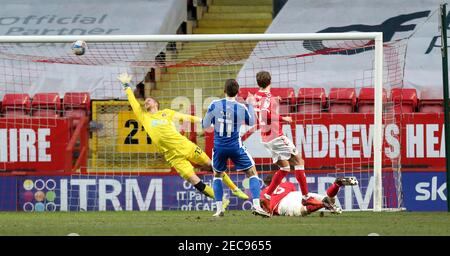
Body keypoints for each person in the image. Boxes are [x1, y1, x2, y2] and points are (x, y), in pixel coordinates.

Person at [117, 73, 249, 204]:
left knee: (213, 166)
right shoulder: (144, 117)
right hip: (173, 157)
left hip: (187, 147)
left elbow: (186, 118)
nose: (146, 101)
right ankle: (221, 200)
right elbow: (133, 102)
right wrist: (126, 86)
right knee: (194, 180)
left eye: (149, 100)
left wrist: (203, 121)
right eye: (146, 101)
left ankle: (235, 189)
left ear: (156, 104)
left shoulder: (166, 113)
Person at [202, 79, 270, 217]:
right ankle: (257, 205)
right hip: (235, 147)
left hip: (219, 147)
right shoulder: (241, 107)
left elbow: (205, 124)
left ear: (224, 90)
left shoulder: (214, 104)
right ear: (237, 92)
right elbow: (251, 122)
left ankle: (219, 209)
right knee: (252, 173)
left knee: (218, 176)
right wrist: (250, 104)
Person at [246, 70, 312, 205]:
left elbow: (259, 104)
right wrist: (284, 118)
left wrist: (275, 100)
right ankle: (306, 197)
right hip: (276, 136)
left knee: (285, 167)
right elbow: (265, 114)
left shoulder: (257, 96)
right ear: (270, 81)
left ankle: (268, 196)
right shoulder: (267, 97)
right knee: (299, 162)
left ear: (258, 83)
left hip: (266, 138)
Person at [260, 175, 358, 216]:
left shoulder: (264, 191)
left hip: (281, 204)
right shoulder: (287, 184)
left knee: (302, 211)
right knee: (329, 200)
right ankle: (336, 184)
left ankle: (322, 204)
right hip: (294, 194)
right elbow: (295, 195)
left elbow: (263, 203)